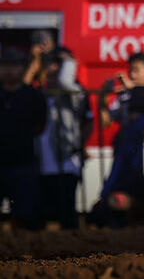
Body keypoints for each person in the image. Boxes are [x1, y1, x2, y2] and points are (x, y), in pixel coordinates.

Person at [99, 52, 144, 207]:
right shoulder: (124, 95)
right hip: (128, 147)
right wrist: (103, 98)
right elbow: (105, 122)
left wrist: (134, 86)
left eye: (136, 70)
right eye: (130, 70)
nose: (132, 75)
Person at [37, 46, 92, 230]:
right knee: (45, 210)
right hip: (43, 162)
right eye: (50, 67)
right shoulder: (40, 93)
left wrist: (68, 61)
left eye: (58, 66)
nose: (53, 72)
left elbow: (65, 82)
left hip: (67, 160)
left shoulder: (74, 92)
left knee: (67, 210)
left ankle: (71, 244)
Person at [0, 47, 47, 229]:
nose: (9, 70)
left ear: (22, 68)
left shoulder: (33, 96)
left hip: (23, 163)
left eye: (14, 65)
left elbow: (40, 126)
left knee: (26, 215)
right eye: (4, 65)